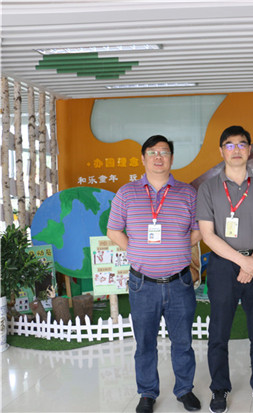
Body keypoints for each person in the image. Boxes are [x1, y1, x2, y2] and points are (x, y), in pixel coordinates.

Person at [107, 135, 202, 413]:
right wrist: (136, 250)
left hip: (179, 281)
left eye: (164, 152)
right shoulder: (127, 193)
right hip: (142, 284)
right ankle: (147, 393)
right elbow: (113, 230)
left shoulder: (188, 193)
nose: (158, 157)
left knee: (182, 342)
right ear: (143, 158)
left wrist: (179, 245)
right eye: (152, 152)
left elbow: (199, 230)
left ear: (171, 158)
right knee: (145, 343)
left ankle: (184, 390)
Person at [197, 126, 253, 413]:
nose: (236, 149)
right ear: (221, 151)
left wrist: (252, 261)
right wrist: (241, 262)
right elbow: (207, 235)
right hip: (223, 266)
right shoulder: (208, 188)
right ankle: (219, 388)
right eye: (229, 145)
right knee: (219, 331)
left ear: (249, 150)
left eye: (241, 144)